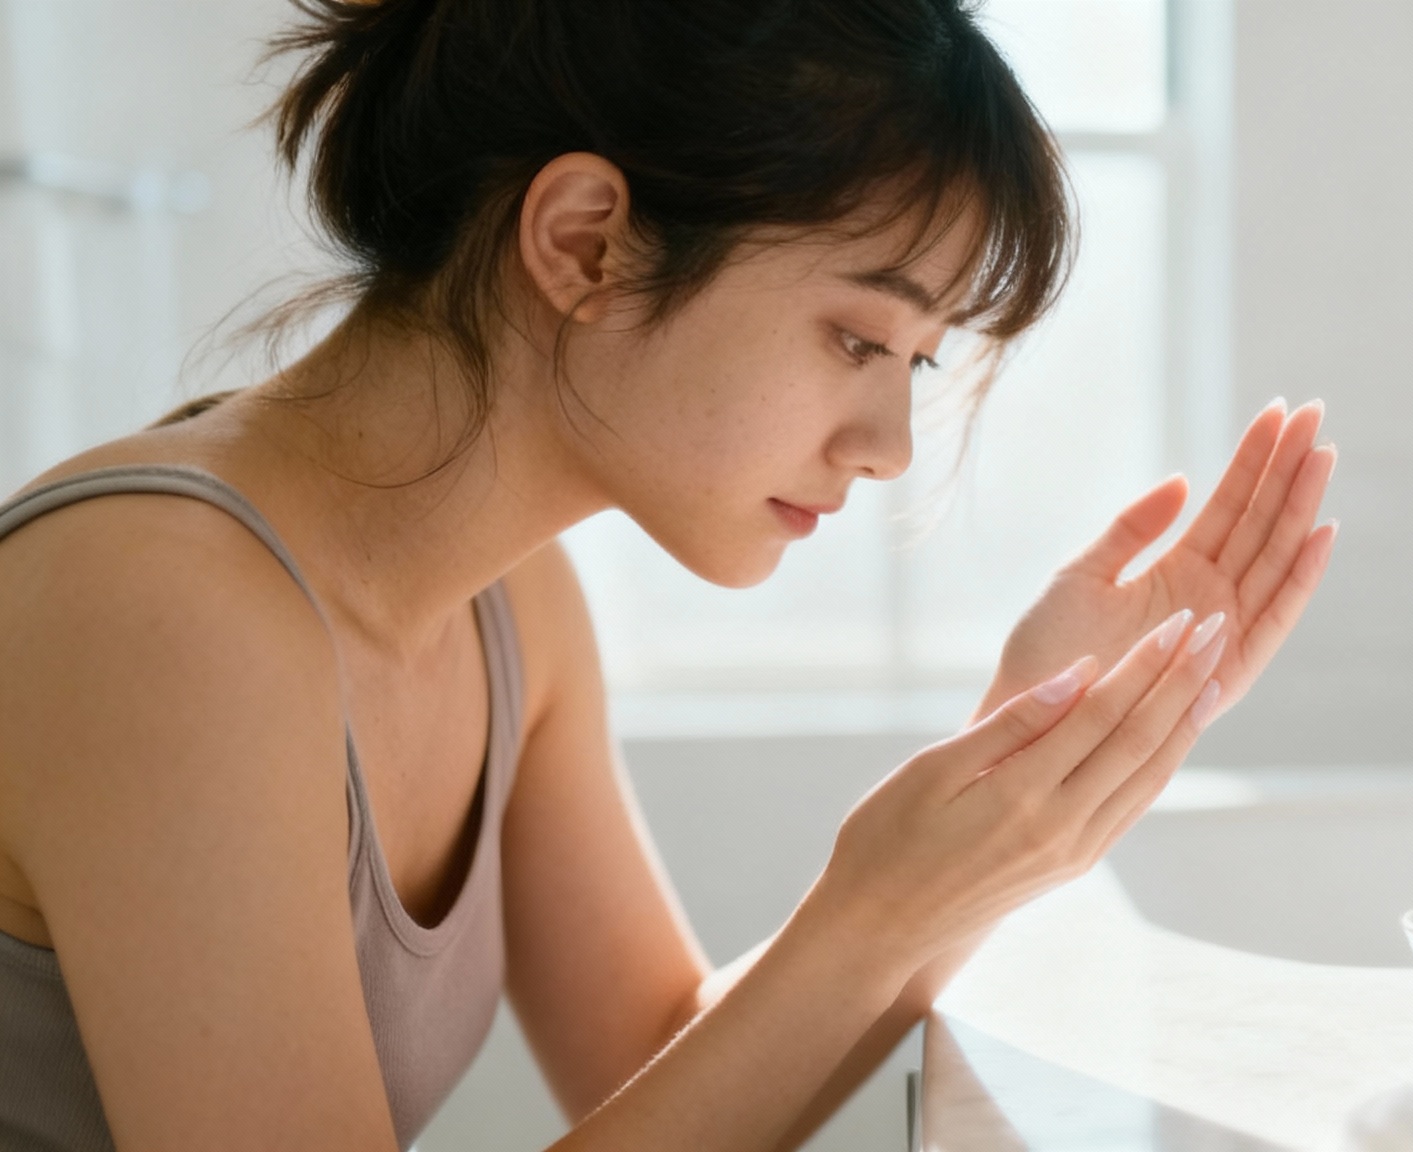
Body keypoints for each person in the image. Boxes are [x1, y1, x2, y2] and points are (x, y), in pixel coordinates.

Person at [0, 1, 1337, 1148]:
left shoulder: (513, 604)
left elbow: (661, 1058)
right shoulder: (160, 605)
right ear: (585, 241)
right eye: (859, 340)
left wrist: (1012, 789)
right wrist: (873, 908)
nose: (887, 450)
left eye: (917, 365)